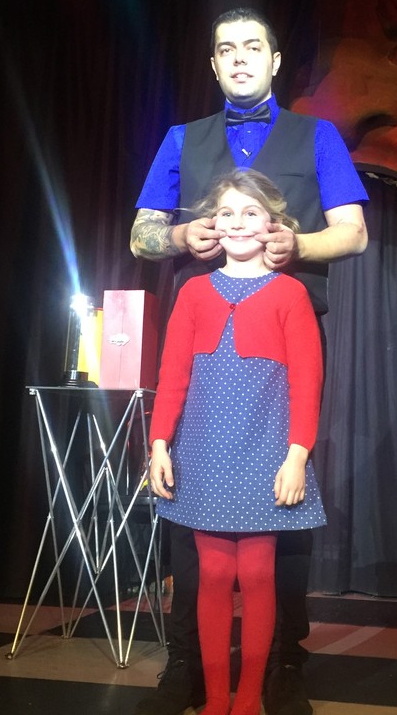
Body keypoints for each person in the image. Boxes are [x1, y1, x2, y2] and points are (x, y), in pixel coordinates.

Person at [131, 6, 368, 715]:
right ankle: (188, 665)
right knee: (189, 517)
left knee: (280, 513)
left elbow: (354, 233)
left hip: (282, 335)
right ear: (213, 65)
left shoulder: (317, 136)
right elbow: (142, 233)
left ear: (274, 60)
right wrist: (182, 239)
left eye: (252, 47)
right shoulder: (182, 138)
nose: (239, 58)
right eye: (226, 49)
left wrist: (300, 247)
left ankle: (282, 666)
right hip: (203, 336)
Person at [148, 169, 326, 715]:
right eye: (227, 212)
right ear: (213, 224)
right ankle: (215, 699)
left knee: (257, 575)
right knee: (213, 576)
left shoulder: (291, 293)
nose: (238, 222)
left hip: (264, 452)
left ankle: (248, 698)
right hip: (204, 453)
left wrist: (297, 455)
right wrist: (159, 443)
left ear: (273, 224)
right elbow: (173, 374)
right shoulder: (194, 292)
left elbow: (307, 381)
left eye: (251, 212)